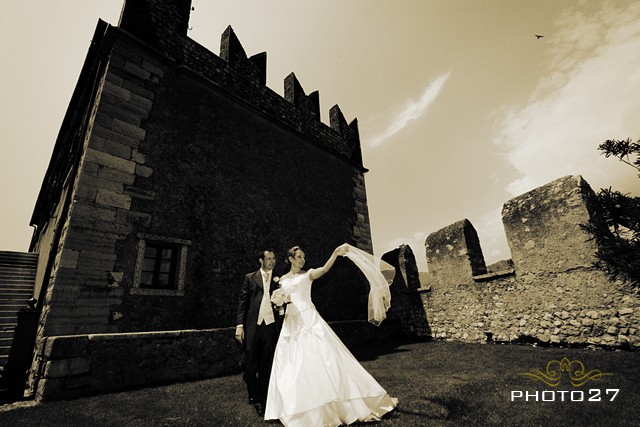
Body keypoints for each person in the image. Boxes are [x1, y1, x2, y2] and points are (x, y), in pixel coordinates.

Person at [264, 243, 397, 427]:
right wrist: (279, 304)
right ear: (290, 259)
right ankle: (295, 407)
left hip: (309, 319)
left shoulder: (308, 275)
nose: (303, 260)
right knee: (292, 364)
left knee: (324, 359)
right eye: (299, 257)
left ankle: (335, 405)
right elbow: (281, 302)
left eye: (304, 257)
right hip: (291, 323)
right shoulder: (282, 281)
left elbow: (325, 269)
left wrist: (335, 253)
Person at [236, 249, 281, 416]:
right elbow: (243, 303)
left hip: (270, 327)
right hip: (253, 326)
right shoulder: (250, 278)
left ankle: (259, 398)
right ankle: (253, 393)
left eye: (274, 258)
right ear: (261, 260)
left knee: (265, 365)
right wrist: (239, 326)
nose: (272, 261)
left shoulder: (279, 279)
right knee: (248, 364)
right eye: (269, 258)